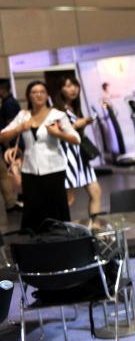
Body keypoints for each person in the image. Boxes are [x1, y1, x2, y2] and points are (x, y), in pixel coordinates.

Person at [0, 81, 79, 232]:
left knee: (56, 213)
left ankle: (61, 242)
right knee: (33, 214)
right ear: (28, 96)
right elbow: (2, 136)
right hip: (30, 171)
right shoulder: (23, 116)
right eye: (34, 92)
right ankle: (35, 243)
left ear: (47, 95)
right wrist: (19, 128)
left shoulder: (57, 115)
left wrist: (58, 133)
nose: (38, 95)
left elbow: (76, 139)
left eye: (42, 92)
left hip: (54, 170)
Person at [55, 76, 101, 217]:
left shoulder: (74, 108)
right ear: (60, 90)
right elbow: (56, 134)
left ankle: (95, 226)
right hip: (67, 157)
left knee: (96, 192)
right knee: (68, 199)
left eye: (75, 85)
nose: (73, 89)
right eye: (68, 86)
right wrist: (76, 125)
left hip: (80, 155)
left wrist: (83, 124)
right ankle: (58, 227)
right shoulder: (57, 111)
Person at [0, 79, 23, 213]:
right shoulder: (8, 102)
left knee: (14, 171)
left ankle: (20, 198)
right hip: (12, 144)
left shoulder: (8, 104)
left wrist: (9, 145)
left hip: (12, 144)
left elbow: (10, 126)